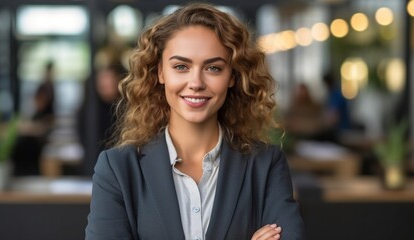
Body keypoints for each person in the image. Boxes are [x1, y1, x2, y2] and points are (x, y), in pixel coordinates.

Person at [85, 3, 305, 240]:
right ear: (160, 72)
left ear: (231, 76)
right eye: (181, 67)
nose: (196, 82)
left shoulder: (266, 165)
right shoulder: (117, 169)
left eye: (213, 68)